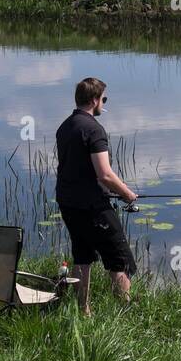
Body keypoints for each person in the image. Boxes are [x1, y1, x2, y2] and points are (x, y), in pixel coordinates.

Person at [55, 77, 138, 313]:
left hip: (69, 203)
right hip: (93, 208)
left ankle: (84, 311)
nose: (104, 103)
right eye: (104, 99)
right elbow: (105, 175)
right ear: (94, 100)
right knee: (120, 260)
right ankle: (124, 313)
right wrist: (128, 194)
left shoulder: (65, 126)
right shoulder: (94, 130)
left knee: (82, 257)